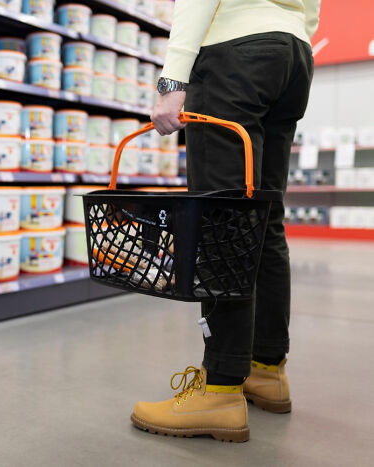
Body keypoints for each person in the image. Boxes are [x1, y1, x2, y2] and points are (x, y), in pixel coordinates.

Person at [131, 0, 321, 442]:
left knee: (222, 218)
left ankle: (220, 388)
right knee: (265, 217)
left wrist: (173, 78)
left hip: (235, 51)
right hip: (291, 53)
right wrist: (295, 32)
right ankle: (267, 369)